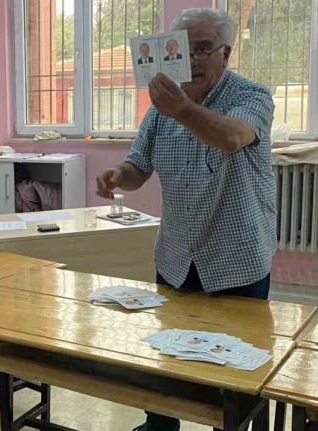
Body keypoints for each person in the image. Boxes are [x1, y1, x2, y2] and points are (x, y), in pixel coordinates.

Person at [96, 8, 275, 431]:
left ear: (225, 53)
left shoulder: (253, 97)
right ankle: (160, 426)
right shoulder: (161, 108)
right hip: (177, 254)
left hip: (237, 257)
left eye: (203, 49)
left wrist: (181, 110)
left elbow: (232, 137)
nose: (192, 60)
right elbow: (138, 167)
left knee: (234, 363)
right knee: (168, 351)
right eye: (181, 50)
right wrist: (117, 176)